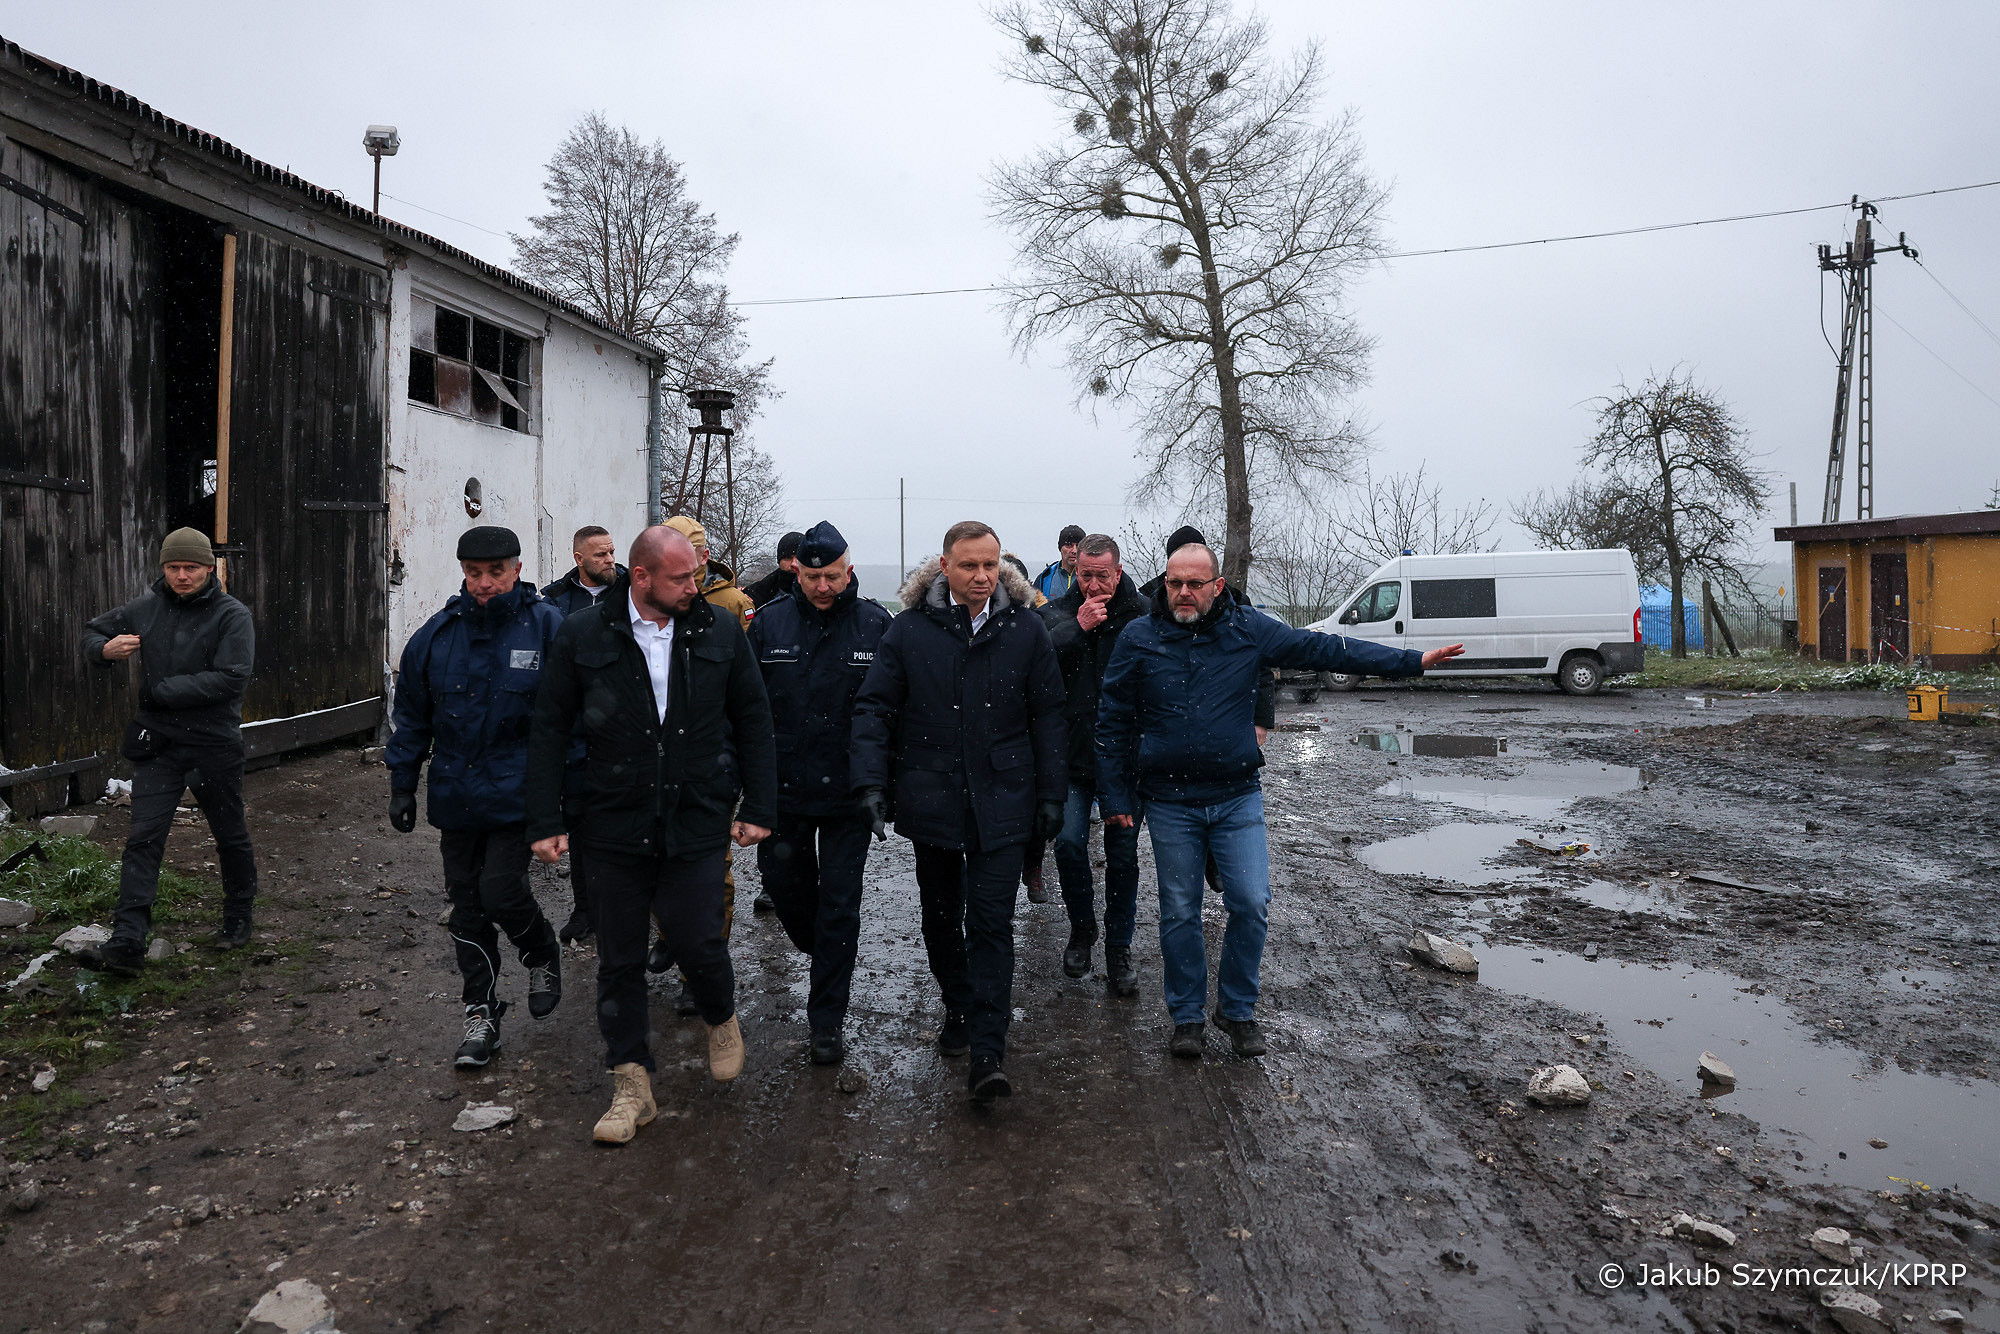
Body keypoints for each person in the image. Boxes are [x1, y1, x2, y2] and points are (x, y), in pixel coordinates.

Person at [1097, 542, 1464, 1061]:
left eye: (1194, 584)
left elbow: (1327, 650)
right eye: (1174, 582)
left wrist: (1411, 662)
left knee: (1251, 902)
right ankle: (1187, 1017)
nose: (1182, 592)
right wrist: (1115, 794)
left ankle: (1237, 1009)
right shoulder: (1139, 637)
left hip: (1235, 796)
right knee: (1179, 911)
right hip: (1169, 800)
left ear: (1216, 587)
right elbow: (1111, 719)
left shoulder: (1249, 628)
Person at [526, 525, 776, 1145]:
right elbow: (550, 729)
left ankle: (721, 1013)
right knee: (619, 957)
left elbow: (753, 718)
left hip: (694, 816)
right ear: (641, 578)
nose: (694, 586)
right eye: (681, 578)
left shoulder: (718, 631)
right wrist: (545, 819)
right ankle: (631, 1084)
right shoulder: (585, 634)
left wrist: (760, 804)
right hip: (612, 820)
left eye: (695, 575)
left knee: (697, 939)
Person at [851, 521, 1066, 1104]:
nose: (981, 577)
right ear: (943, 566)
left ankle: (989, 1052)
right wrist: (870, 781)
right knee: (941, 917)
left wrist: (1052, 794)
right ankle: (958, 1006)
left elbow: (1048, 714)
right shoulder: (910, 632)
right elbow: (875, 708)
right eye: (969, 566)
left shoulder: (1024, 630)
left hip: (1003, 798)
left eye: (990, 565)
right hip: (933, 798)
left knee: (991, 922)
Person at [384, 526, 565, 1068]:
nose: (484, 584)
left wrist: (567, 798)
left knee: (503, 891)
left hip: (522, 794)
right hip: (458, 792)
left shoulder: (550, 629)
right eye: (473, 573)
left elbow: (573, 721)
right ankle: (480, 1013)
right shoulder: (437, 637)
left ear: (516, 569)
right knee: (466, 908)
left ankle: (540, 950)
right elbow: (413, 716)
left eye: (495, 573)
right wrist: (402, 784)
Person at [79, 529, 258, 975]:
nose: (181, 576)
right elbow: (92, 630)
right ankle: (127, 944)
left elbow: (231, 677)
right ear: (163, 568)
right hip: (160, 745)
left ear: (209, 569)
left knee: (229, 833)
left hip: (214, 743)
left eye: (190, 568)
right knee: (143, 838)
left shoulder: (232, 616)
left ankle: (237, 918)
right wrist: (103, 650)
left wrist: (163, 692)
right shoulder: (145, 609)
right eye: (173, 567)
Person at [746, 521, 891, 1066]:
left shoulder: (876, 626)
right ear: (796, 572)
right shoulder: (769, 625)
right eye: (812, 577)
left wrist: (881, 784)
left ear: (848, 571)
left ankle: (826, 1019)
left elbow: (888, 714)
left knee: (840, 906)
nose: (823, 587)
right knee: (787, 892)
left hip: (847, 798)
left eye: (832, 576)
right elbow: (747, 710)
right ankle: (822, 947)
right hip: (782, 793)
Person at [1039, 533, 1149, 996]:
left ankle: (1119, 948)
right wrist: (1076, 628)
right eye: (1085, 575)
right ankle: (1082, 930)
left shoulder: (1143, 614)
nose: (1093, 584)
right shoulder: (1056, 614)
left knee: (1123, 854)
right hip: (1072, 754)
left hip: (1125, 758)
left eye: (1102, 575)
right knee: (1067, 843)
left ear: (1118, 572)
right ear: (1074, 571)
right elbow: (1035, 668)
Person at [656, 515, 756, 959]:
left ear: (705, 554)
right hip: (656, 757)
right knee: (656, 855)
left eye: (691, 552)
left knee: (713, 866)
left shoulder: (733, 605)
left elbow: (746, 690)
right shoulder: (646, 601)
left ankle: (703, 963)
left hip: (711, 754)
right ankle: (669, 935)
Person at [539, 525, 625, 943]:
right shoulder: (555, 602)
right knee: (580, 826)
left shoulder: (633, 593)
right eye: (600, 555)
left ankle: (631, 907)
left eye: (611, 553)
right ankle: (585, 910)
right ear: (579, 559)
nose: (609, 560)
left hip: (624, 728)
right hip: (576, 732)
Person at [742, 530, 804, 609]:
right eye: (788, 558)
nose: (794, 563)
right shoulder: (754, 596)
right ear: (779, 561)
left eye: (799, 558)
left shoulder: (821, 592)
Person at [1035, 524, 1085, 602]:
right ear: (1060, 548)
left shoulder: (1092, 577)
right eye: (1069, 545)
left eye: (1078, 546)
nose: (1074, 551)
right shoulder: (1045, 578)